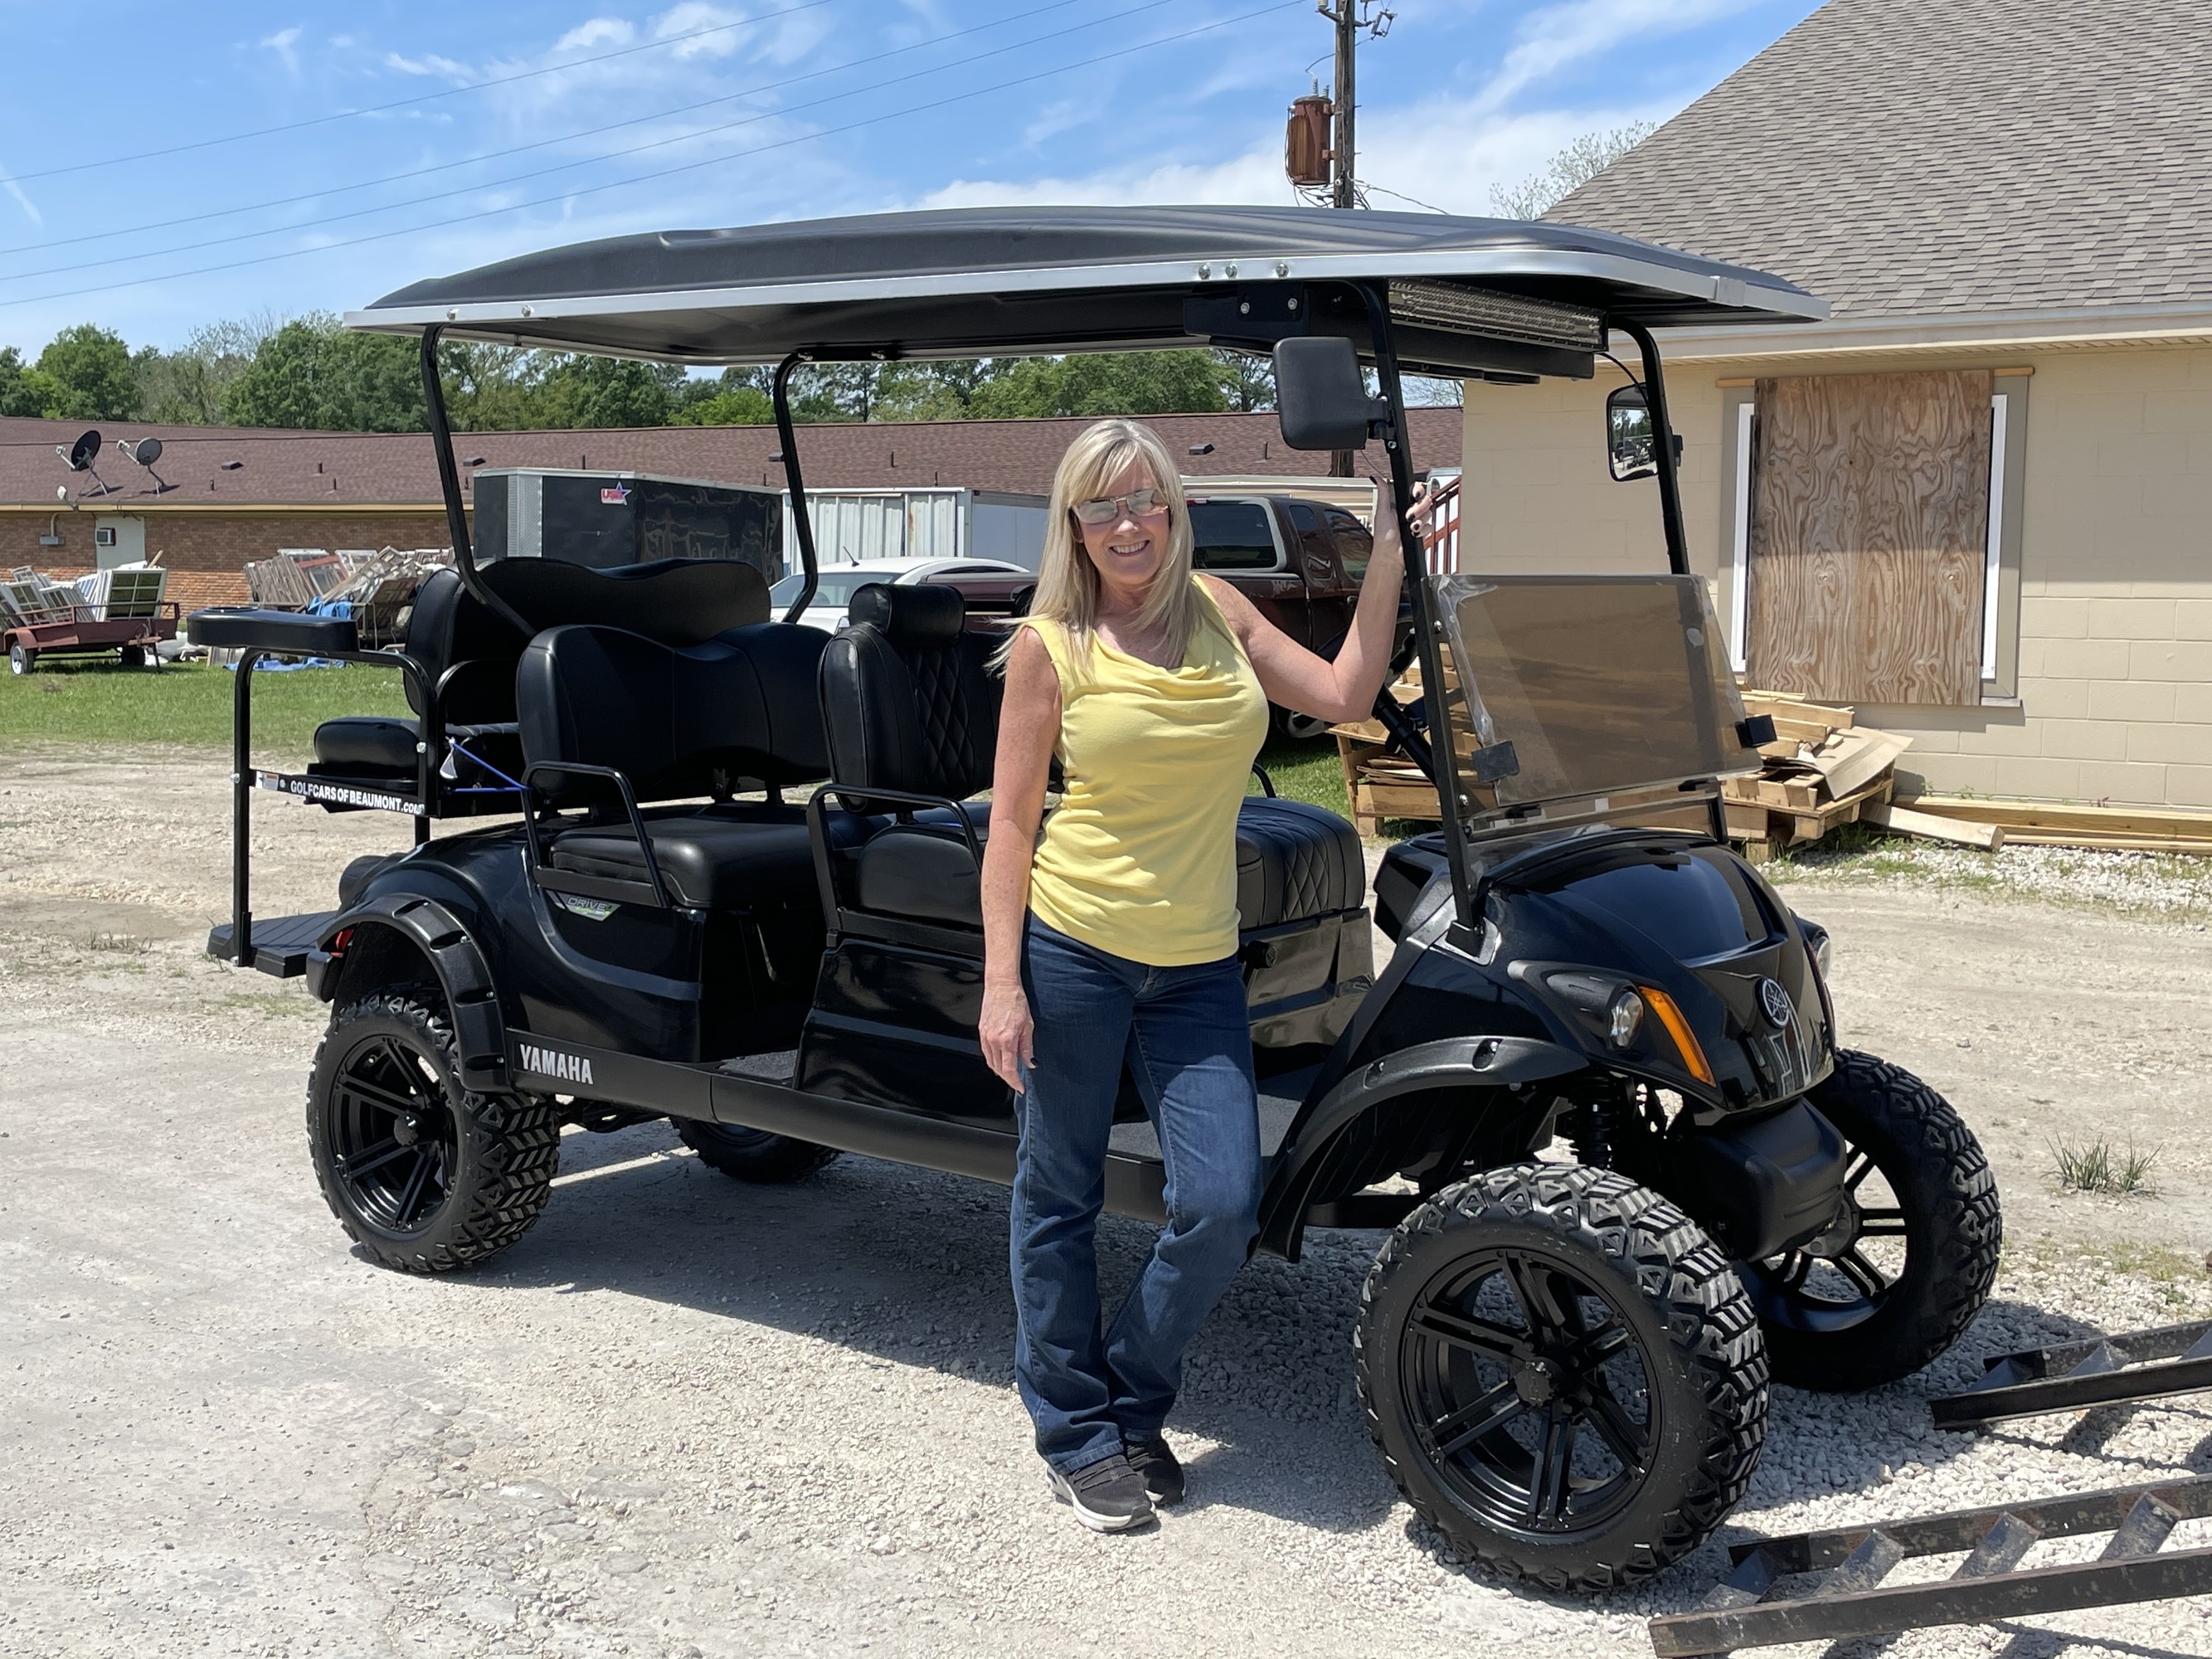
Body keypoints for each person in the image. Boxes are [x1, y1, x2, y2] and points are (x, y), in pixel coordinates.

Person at [979, 416, 1428, 1532]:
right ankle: (1077, 1434)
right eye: (1103, 506)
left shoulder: (1223, 612)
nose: (1128, 523)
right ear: (1073, 525)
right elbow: (1013, 826)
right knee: (1058, 1196)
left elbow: (1346, 695)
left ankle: (1130, 1392)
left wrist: (1391, 563)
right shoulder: (1051, 645)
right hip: (1074, 949)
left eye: (1146, 500)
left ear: (1176, 509)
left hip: (1194, 968)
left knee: (1224, 1202)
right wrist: (1003, 983)